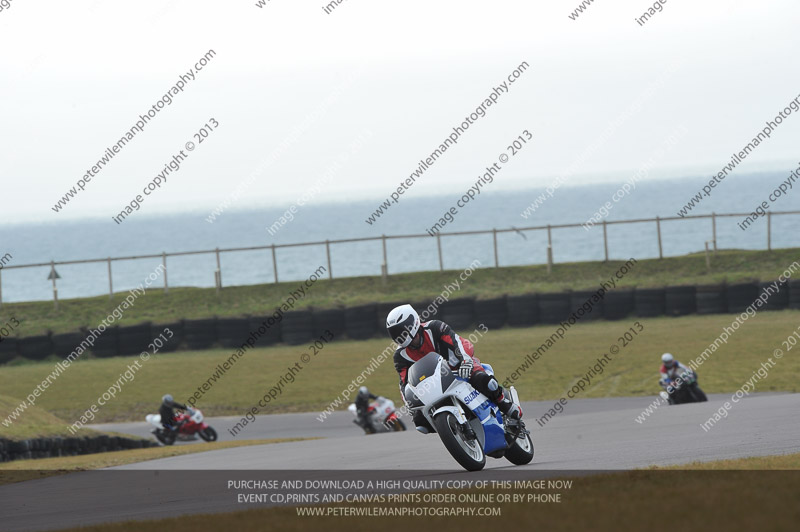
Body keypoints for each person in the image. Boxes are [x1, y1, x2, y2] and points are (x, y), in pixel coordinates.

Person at [387, 304, 521, 434]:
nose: (399, 335)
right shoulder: (400, 355)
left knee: (482, 379)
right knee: (420, 421)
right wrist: (408, 402)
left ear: (412, 323)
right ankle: (454, 430)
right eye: (395, 332)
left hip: (459, 364)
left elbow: (456, 342)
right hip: (435, 383)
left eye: (401, 330)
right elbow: (404, 383)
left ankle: (503, 402)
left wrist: (465, 361)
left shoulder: (434, 327)